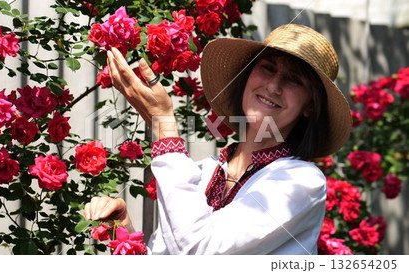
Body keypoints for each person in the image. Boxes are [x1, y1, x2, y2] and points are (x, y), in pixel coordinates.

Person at [83, 24, 352, 254]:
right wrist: (126, 233)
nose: (273, 86)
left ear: (310, 106)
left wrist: (163, 125)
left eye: (294, 80)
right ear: (247, 77)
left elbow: (199, 252)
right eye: (268, 68)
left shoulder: (302, 181)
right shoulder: (204, 170)